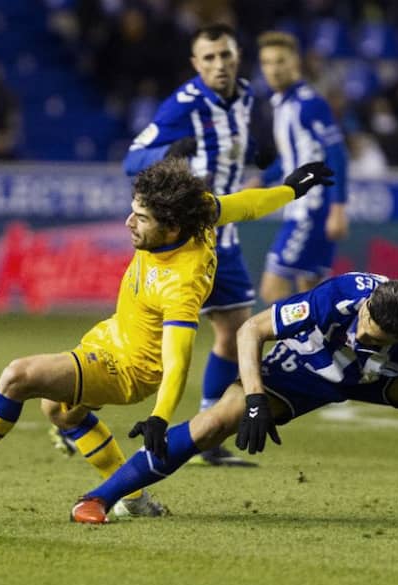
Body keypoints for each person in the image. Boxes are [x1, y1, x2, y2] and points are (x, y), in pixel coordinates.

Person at [0, 158, 334, 517]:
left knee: (18, 376)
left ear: (171, 227)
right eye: (133, 209)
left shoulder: (180, 284)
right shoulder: (198, 212)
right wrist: (293, 188)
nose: (128, 222)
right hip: (110, 336)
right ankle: (134, 498)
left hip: (128, 368)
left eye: (141, 218)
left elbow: (178, 360)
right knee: (61, 413)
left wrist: (161, 417)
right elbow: (249, 204)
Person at [71, 273, 398, 529]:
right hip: (306, 371)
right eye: (364, 321)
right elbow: (251, 330)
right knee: (218, 419)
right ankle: (99, 498)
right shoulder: (337, 298)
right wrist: (252, 400)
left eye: (374, 336)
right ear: (368, 305)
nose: (361, 331)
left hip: (378, 381)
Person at [117, 23, 274, 467]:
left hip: (223, 237)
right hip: (182, 244)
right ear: (195, 64)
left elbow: (258, 152)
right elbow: (133, 158)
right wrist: (170, 153)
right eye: (209, 58)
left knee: (236, 333)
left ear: (237, 55)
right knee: (150, 348)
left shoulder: (246, 97)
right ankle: (74, 410)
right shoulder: (182, 105)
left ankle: (208, 431)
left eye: (225, 55)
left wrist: (266, 160)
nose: (219, 65)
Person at [253, 31, 350, 304]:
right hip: (304, 208)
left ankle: (295, 346)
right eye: (267, 62)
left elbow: (336, 153)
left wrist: (338, 208)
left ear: (295, 62)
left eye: (280, 61)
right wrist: (262, 180)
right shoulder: (282, 104)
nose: (273, 69)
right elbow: (293, 159)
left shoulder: (309, 103)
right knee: (311, 294)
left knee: (273, 289)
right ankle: (317, 346)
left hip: (311, 209)